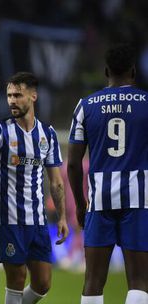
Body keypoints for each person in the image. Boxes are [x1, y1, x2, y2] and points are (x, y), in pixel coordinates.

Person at [0, 72, 69, 304]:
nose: (12, 100)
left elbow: (55, 180)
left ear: (33, 96)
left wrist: (63, 216)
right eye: (9, 95)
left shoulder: (48, 134)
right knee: (17, 279)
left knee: (43, 284)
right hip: (9, 219)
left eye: (18, 95)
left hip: (37, 221)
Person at [68, 44, 148, 304]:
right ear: (134, 72)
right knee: (139, 280)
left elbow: (72, 164)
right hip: (138, 199)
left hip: (99, 200)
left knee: (93, 280)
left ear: (106, 72)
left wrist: (81, 205)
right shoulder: (146, 103)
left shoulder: (86, 106)